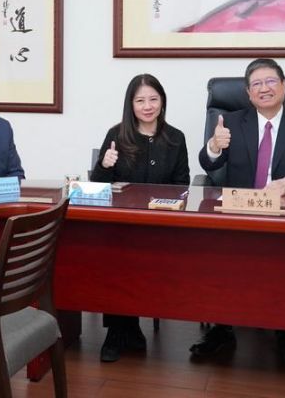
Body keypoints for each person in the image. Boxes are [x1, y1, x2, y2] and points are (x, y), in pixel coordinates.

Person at [192, 58, 285, 368]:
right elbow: (209, 165)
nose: (264, 88)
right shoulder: (230, 121)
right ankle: (222, 328)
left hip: (284, 215)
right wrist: (214, 145)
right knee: (219, 251)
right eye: (256, 84)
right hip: (238, 213)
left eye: (270, 81)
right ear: (248, 93)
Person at [89, 74, 190, 362]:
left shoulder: (175, 138)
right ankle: (119, 330)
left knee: (141, 257)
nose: (147, 106)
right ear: (130, 104)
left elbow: (182, 184)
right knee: (116, 255)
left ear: (162, 101)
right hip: (121, 224)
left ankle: (128, 328)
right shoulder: (116, 134)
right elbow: (98, 186)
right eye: (140, 100)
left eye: (153, 99)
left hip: (160, 225)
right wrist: (104, 165)